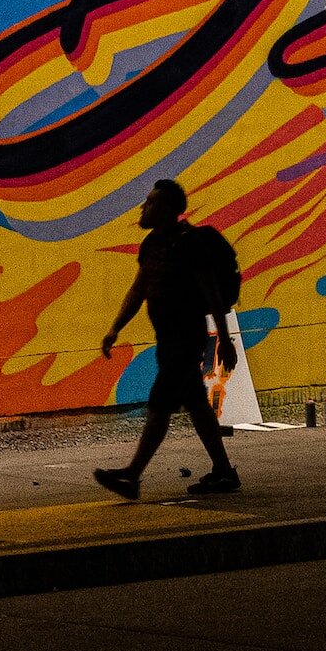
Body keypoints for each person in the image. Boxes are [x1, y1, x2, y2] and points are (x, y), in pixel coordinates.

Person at [94, 178, 242, 498]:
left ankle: (132, 475)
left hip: (185, 339)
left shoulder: (190, 244)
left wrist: (226, 340)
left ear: (169, 210)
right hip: (167, 339)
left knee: (160, 400)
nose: (143, 208)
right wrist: (115, 328)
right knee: (197, 406)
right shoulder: (151, 245)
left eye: (150, 202)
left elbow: (212, 295)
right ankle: (224, 472)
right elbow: (138, 289)